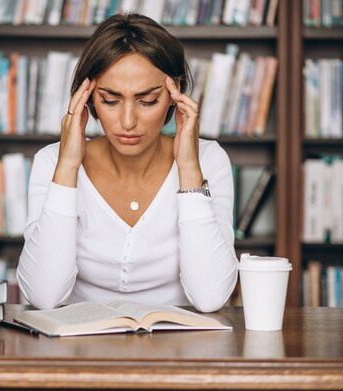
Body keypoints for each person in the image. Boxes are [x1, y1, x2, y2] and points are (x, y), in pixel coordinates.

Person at [16, 13, 237, 312]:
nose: (128, 121)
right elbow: (43, 296)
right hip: (79, 349)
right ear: (88, 97)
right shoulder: (52, 161)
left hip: (179, 350)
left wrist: (188, 169)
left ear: (175, 96)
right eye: (110, 100)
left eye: (147, 101)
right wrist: (68, 167)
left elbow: (210, 297)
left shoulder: (208, 160)